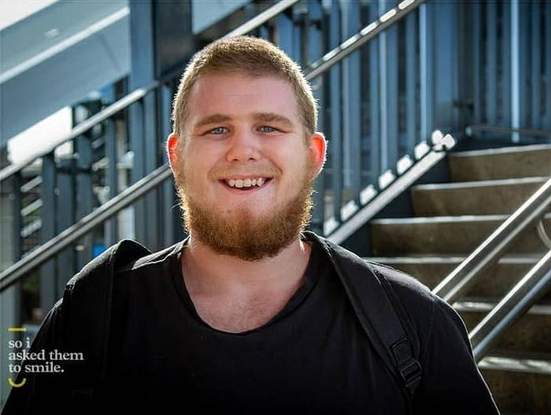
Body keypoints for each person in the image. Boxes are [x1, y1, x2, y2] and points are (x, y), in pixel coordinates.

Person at [4, 36, 499, 414]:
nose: (243, 150)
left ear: (313, 155)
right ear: (177, 156)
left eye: (269, 127)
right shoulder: (89, 318)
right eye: (217, 129)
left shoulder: (414, 324)